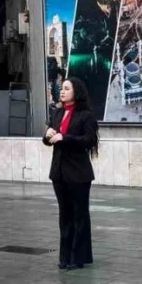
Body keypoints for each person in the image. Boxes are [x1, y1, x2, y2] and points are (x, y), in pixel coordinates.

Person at [43, 78, 99, 270]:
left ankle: (79, 257)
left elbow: (89, 140)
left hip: (78, 172)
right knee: (64, 214)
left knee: (79, 214)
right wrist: (48, 136)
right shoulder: (57, 113)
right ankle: (64, 255)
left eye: (67, 88)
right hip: (59, 171)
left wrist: (65, 138)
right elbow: (50, 140)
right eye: (62, 88)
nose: (62, 91)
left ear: (77, 92)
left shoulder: (86, 115)